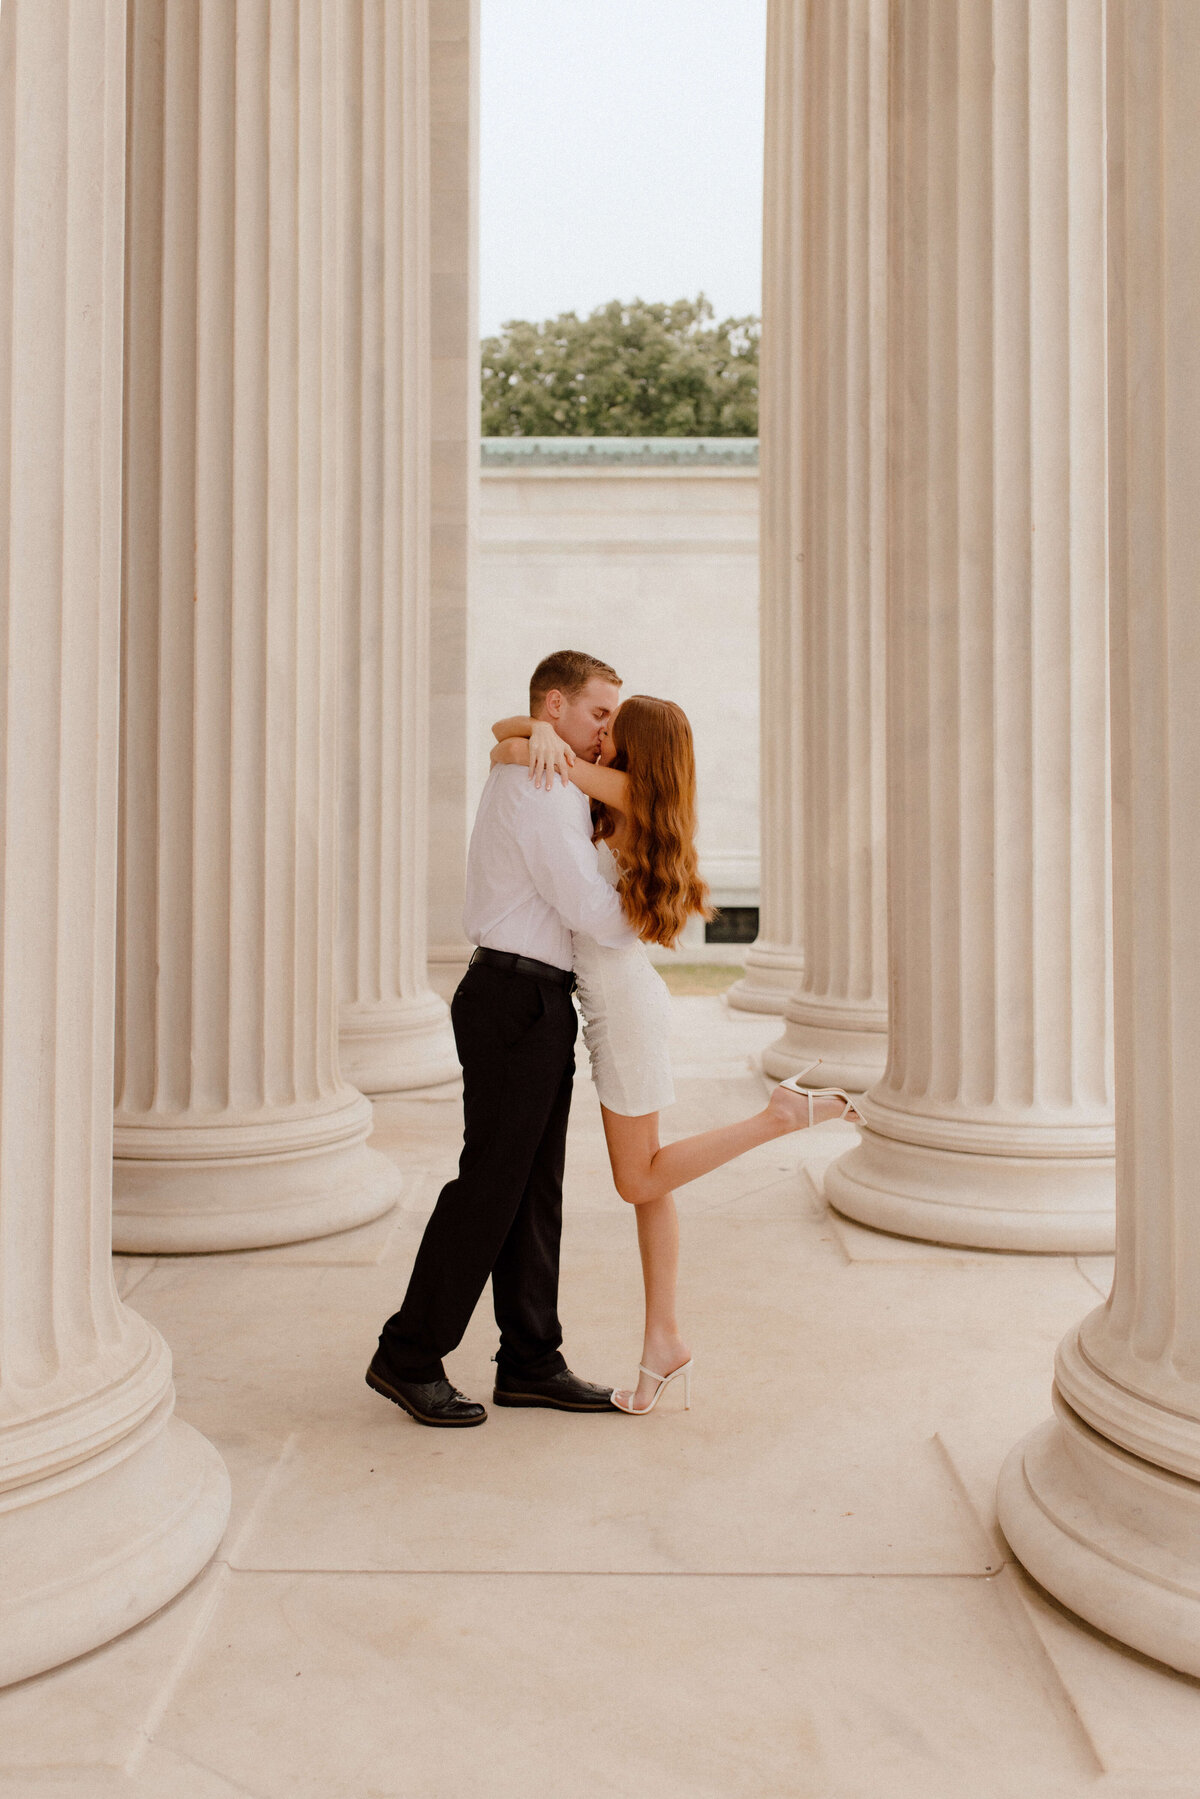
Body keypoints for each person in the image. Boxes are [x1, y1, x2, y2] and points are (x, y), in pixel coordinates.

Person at [490, 694, 859, 1414]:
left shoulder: (627, 790)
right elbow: (507, 739)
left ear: (637, 748)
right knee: (652, 1184)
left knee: (639, 1177)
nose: (599, 736)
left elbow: (508, 751)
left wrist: (533, 738)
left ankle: (778, 1119)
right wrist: (535, 727)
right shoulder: (637, 795)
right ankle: (663, 1339)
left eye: (611, 729)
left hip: (622, 1009)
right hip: (623, 1001)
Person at [366, 650, 636, 1426]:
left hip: (531, 998)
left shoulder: (546, 771)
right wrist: (649, 910)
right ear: (554, 706)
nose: (605, 730)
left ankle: (530, 1359)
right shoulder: (541, 782)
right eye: (597, 713)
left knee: (530, 1193)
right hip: (514, 997)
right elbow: (589, 908)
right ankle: (408, 1352)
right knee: (488, 1188)